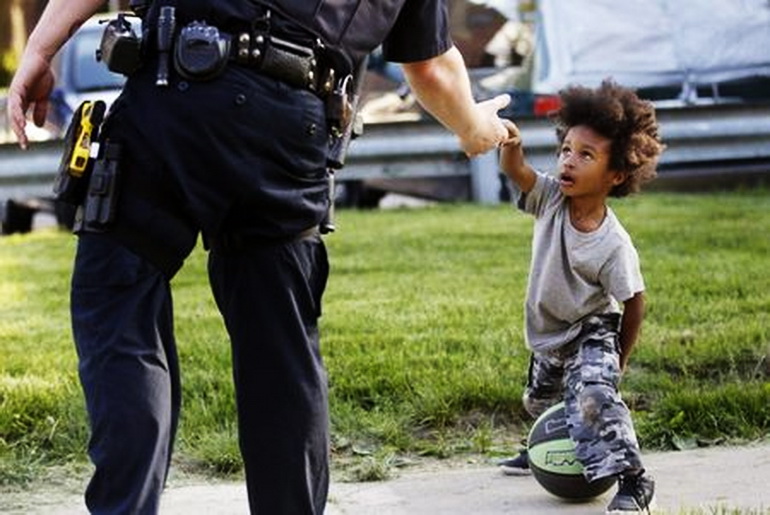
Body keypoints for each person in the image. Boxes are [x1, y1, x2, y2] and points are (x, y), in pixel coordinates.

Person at [8, 0, 512, 513]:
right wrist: (473, 126)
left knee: (118, 310)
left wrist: (40, 49)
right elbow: (429, 62)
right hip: (288, 125)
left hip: (170, 99)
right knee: (279, 347)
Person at [497, 79, 664, 513]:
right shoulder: (550, 197)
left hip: (591, 331)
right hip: (549, 332)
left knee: (592, 398)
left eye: (585, 155)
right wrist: (511, 143)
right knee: (538, 400)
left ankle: (633, 480)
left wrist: (617, 363)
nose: (569, 162)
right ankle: (541, 444)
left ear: (617, 174)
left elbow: (635, 302)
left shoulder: (613, 245)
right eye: (566, 150)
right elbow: (518, 172)